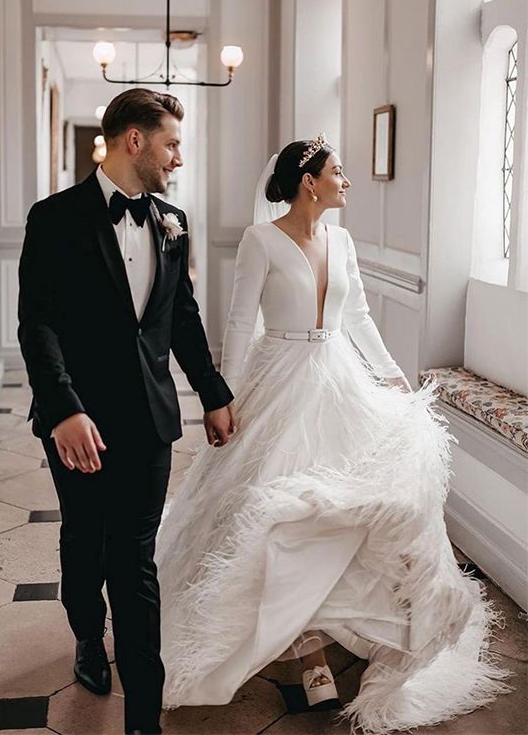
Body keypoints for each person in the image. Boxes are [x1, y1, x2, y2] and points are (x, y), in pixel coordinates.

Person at [156, 134, 510, 733]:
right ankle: (307, 650)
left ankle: (346, 624)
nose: (347, 181)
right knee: (278, 508)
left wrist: (394, 378)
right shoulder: (260, 240)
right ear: (308, 182)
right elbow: (241, 322)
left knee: (349, 508)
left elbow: (360, 318)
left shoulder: (340, 240)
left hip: (339, 378)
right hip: (280, 381)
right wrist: (229, 397)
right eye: (338, 172)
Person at [17, 88, 234, 735]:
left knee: (135, 560)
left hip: (150, 418)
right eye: (171, 144)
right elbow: (38, 323)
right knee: (86, 545)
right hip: (78, 422)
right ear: (134, 141)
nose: (178, 159)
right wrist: (63, 410)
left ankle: (143, 714)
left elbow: (182, 317)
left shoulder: (174, 219)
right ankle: (88, 635)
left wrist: (212, 391)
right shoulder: (54, 217)